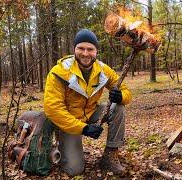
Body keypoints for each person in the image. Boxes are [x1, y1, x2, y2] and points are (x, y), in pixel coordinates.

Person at [44, 29, 132, 176]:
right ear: (74, 49)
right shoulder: (59, 72)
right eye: (81, 48)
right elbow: (52, 109)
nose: (85, 53)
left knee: (118, 106)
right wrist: (83, 128)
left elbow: (126, 91)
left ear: (96, 51)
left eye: (90, 49)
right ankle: (61, 144)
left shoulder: (103, 70)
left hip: (91, 113)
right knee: (74, 170)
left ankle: (110, 155)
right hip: (69, 123)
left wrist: (121, 96)